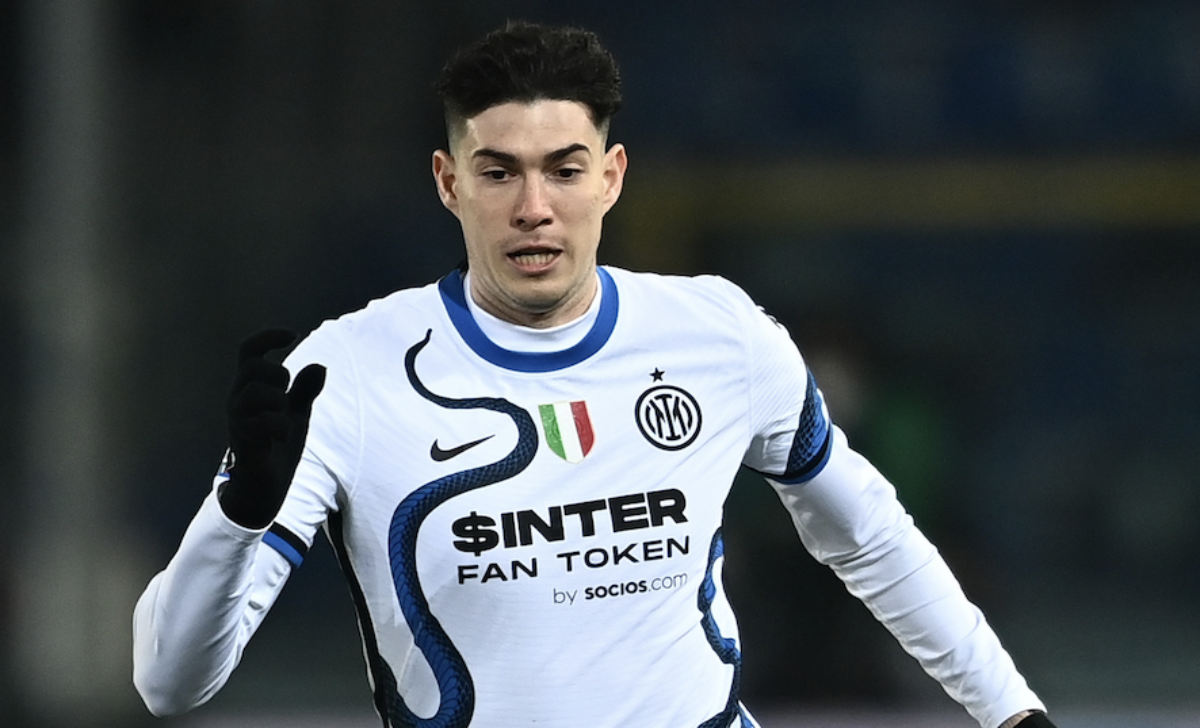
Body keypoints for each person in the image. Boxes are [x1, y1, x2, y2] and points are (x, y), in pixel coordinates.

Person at [133, 21, 1057, 728]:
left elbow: (871, 536)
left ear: (611, 176)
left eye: (564, 170)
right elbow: (169, 684)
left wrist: (1012, 712)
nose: (534, 207)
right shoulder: (341, 375)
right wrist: (238, 514)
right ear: (448, 182)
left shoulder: (718, 334)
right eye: (499, 173)